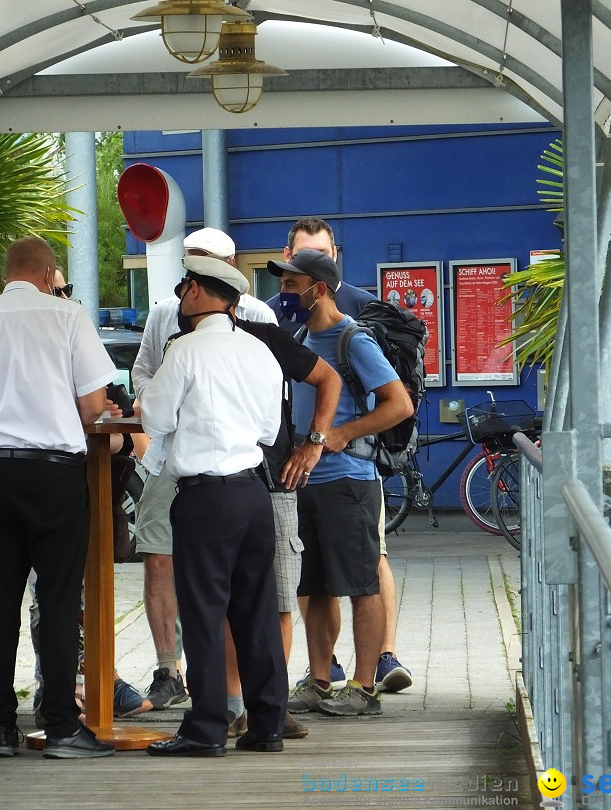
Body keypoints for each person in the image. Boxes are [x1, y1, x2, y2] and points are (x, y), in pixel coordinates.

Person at [0, 235, 116, 759]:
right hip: (56, 475)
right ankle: (62, 726)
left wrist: (3, 407)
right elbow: (93, 407)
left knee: (0, 601)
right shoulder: (67, 318)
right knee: (60, 600)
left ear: (6, 274)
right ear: (48, 275)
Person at [142, 255, 286, 756]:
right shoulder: (260, 351)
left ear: (200, 292)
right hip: (253, 492)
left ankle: (204, 730)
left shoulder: (184, 351)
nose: (181, 296)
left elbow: (155, 416)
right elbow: (269, 430)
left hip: (206, 496)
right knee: (257, 612)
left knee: (203, 611)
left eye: (184, 287)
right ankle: (267, 725)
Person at [270, 216, 414, 695]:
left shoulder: (354, 339)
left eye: (292, 283)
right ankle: (318, 679)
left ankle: (363, 686)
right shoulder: (298, 339)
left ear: (319, 289)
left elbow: (399, 404)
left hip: (350, 480)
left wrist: (337, 435)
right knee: (315, 587)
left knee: (361, 585)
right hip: (305, 483)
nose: (284, 291)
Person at [25, 270, 151, 723]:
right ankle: (55, 688)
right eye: (57, 291)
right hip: (47, 487)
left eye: (68, 291)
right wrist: (92, 420)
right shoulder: (25, 353)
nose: (65, 298)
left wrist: (104, 422)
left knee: (90, 592)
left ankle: (99, 677)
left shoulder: (83, 347)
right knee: (52, 595)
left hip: (94, 495)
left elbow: (125, 427)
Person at [222, 304, 342, 743]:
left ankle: (271, 705)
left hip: (274, 483)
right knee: (225, 602)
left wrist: (313, 444)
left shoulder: (267, 337)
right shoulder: (187, 341)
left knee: (279, 601)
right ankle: (233, 705)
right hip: (217, 485)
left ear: (231, 302)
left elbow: (329, 378)